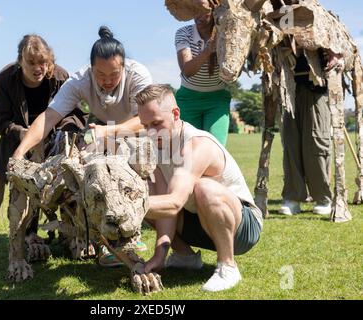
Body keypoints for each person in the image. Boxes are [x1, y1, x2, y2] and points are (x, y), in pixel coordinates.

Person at [11, 26, 153, 266]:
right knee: (94, 178)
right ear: (91, 69)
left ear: (124, 66)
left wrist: (111, 130)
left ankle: (134, 235)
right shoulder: (80, 79)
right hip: (103, 134)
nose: (107, 81)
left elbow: (147, 119)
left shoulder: (139, 74)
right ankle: (100, 241)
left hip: (135, 133)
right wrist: (19, 153)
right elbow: (49, 117)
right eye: (101, 75)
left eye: (114, 74)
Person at [135, 84, 263, 292]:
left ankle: (228, 267)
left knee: (204, 188)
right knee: (148, 193)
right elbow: (166, 208)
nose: (151, 133)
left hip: (243, 227)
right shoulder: (156, 148)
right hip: (200, 220)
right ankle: (185, 257)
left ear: (175, 114)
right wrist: (160, 255)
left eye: (156, 124)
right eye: (145, 126)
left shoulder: (197, 144)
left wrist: (126, 207)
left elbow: (175, 201)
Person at [0, 34, 83, 249]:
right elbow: (0, 122)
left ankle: (72, 233)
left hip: (54, 137)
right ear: (20, 61)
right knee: (0, 175)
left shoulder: (62, 76)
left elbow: (75, 114)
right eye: (32, 62)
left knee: (67, 180)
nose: (39, 68)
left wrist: (59, 135)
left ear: (50, 60)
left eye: (43, 62)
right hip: (16, 136)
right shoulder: (5, 78)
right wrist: (24, 134)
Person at [279, 50, 336, 216]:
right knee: (291, 144)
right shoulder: (282, 25)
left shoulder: (327, 27)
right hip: (290, 89)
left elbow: (346, 53)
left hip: (317, 91)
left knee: (316, 144)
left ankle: (323, 198)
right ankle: (292, 197)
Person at [174, 0, 231, 146]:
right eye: (194, 10)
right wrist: (209, 49)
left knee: (215, 148)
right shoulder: (184, 33)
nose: (198, 15)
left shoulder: (227, 33)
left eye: (203, 11)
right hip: (188, 100)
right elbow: (187, 71)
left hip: (217, 100)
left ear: (215, 11)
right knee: (186, 149)